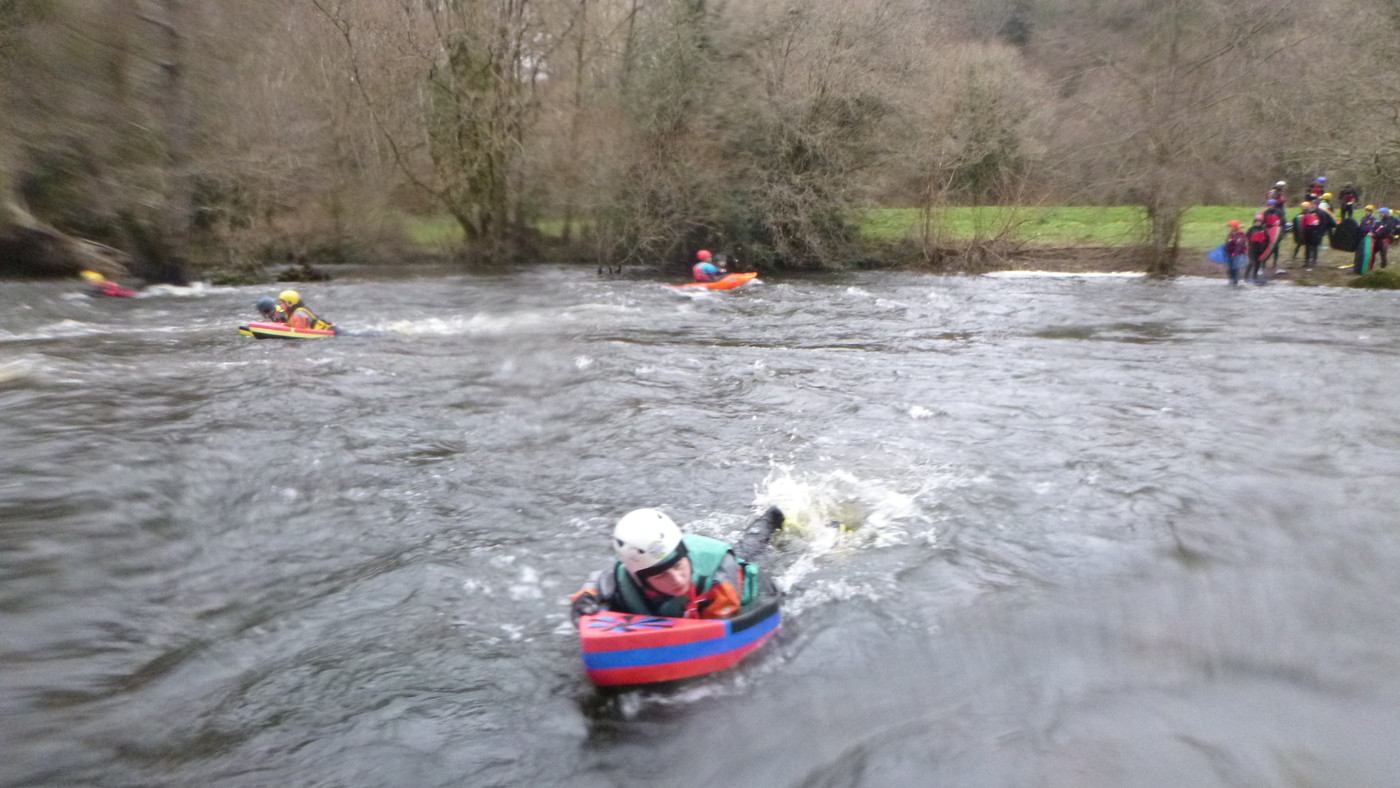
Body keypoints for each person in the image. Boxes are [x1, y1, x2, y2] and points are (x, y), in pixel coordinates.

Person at [569, 506, 784, 623]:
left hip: (739, 582)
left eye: (678, 566)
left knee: (748, 550)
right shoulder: (623, 578)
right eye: (661, 575)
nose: (677, 579)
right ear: (640, 579)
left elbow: (723, 630)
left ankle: (770, 520)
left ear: (685, 556)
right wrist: (583, 601)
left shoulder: (719, 577)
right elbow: (596, 584)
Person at [1245, 213, 1268, 282]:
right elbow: (1247, 238)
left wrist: (1264, 248)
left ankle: (1255, 275)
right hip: (1252, 247)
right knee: (1251, 262)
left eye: (1260, 221)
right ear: (1255, 221)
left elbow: (1267, 240)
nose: (1258, 222)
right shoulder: (1251, 229)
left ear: (1262, 222)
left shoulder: (1264, 229)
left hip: (1260, 248)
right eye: (1257, 221)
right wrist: (1246, 247)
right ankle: (1246, 276)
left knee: (1258, 262)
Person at [1224, 219, 1247, 285]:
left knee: (1235, 268)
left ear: (1234, 227)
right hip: (1230, 254)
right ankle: (1231, 281)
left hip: (1238, 254)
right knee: (1230, 269)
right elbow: (1227, 243)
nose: (1229, 228)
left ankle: (1236, 281)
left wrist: (1235, 253)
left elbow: (1239, 246)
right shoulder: (1231, 234)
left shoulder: (1240, 235)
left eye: (1230, 226)